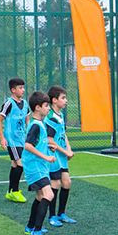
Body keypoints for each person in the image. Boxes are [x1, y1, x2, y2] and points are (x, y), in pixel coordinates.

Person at [22, 91, 56, 235]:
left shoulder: (38, 123)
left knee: (40, 196)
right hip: (35, 166)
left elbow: (36, 143)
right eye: (46, 105)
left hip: (38, 165)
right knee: (49, 194)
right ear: (37, 108)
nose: (48, 108)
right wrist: (46, 157)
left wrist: (48, 147)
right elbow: (28, 145)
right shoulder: (36, 125)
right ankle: (37, 230)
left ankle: (30, 226)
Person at [45, 86, 76, 227]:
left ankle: (61, 213)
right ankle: (52, 216)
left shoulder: (60, 115)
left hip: (62, 155)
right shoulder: (50, 117)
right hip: (53, 155)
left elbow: (63, 134)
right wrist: (65, 152)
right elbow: (50, 140)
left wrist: (69, 150)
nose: (66, 100)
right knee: (55, 183)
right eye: (63, 98)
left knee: (67, 182)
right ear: (54, 100)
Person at [0, 78, 29, 203]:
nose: (23, 90)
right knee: (21, 163)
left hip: (22, 139)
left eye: (23, 87)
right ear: (13, 90)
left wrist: (30, 134)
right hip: (12, 139)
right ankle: (15, 191)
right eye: (20, 88)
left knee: (15, 165)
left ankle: (10, 192)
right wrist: (2, 138)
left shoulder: (25, 103)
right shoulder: (8, 103)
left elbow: (27, 120)